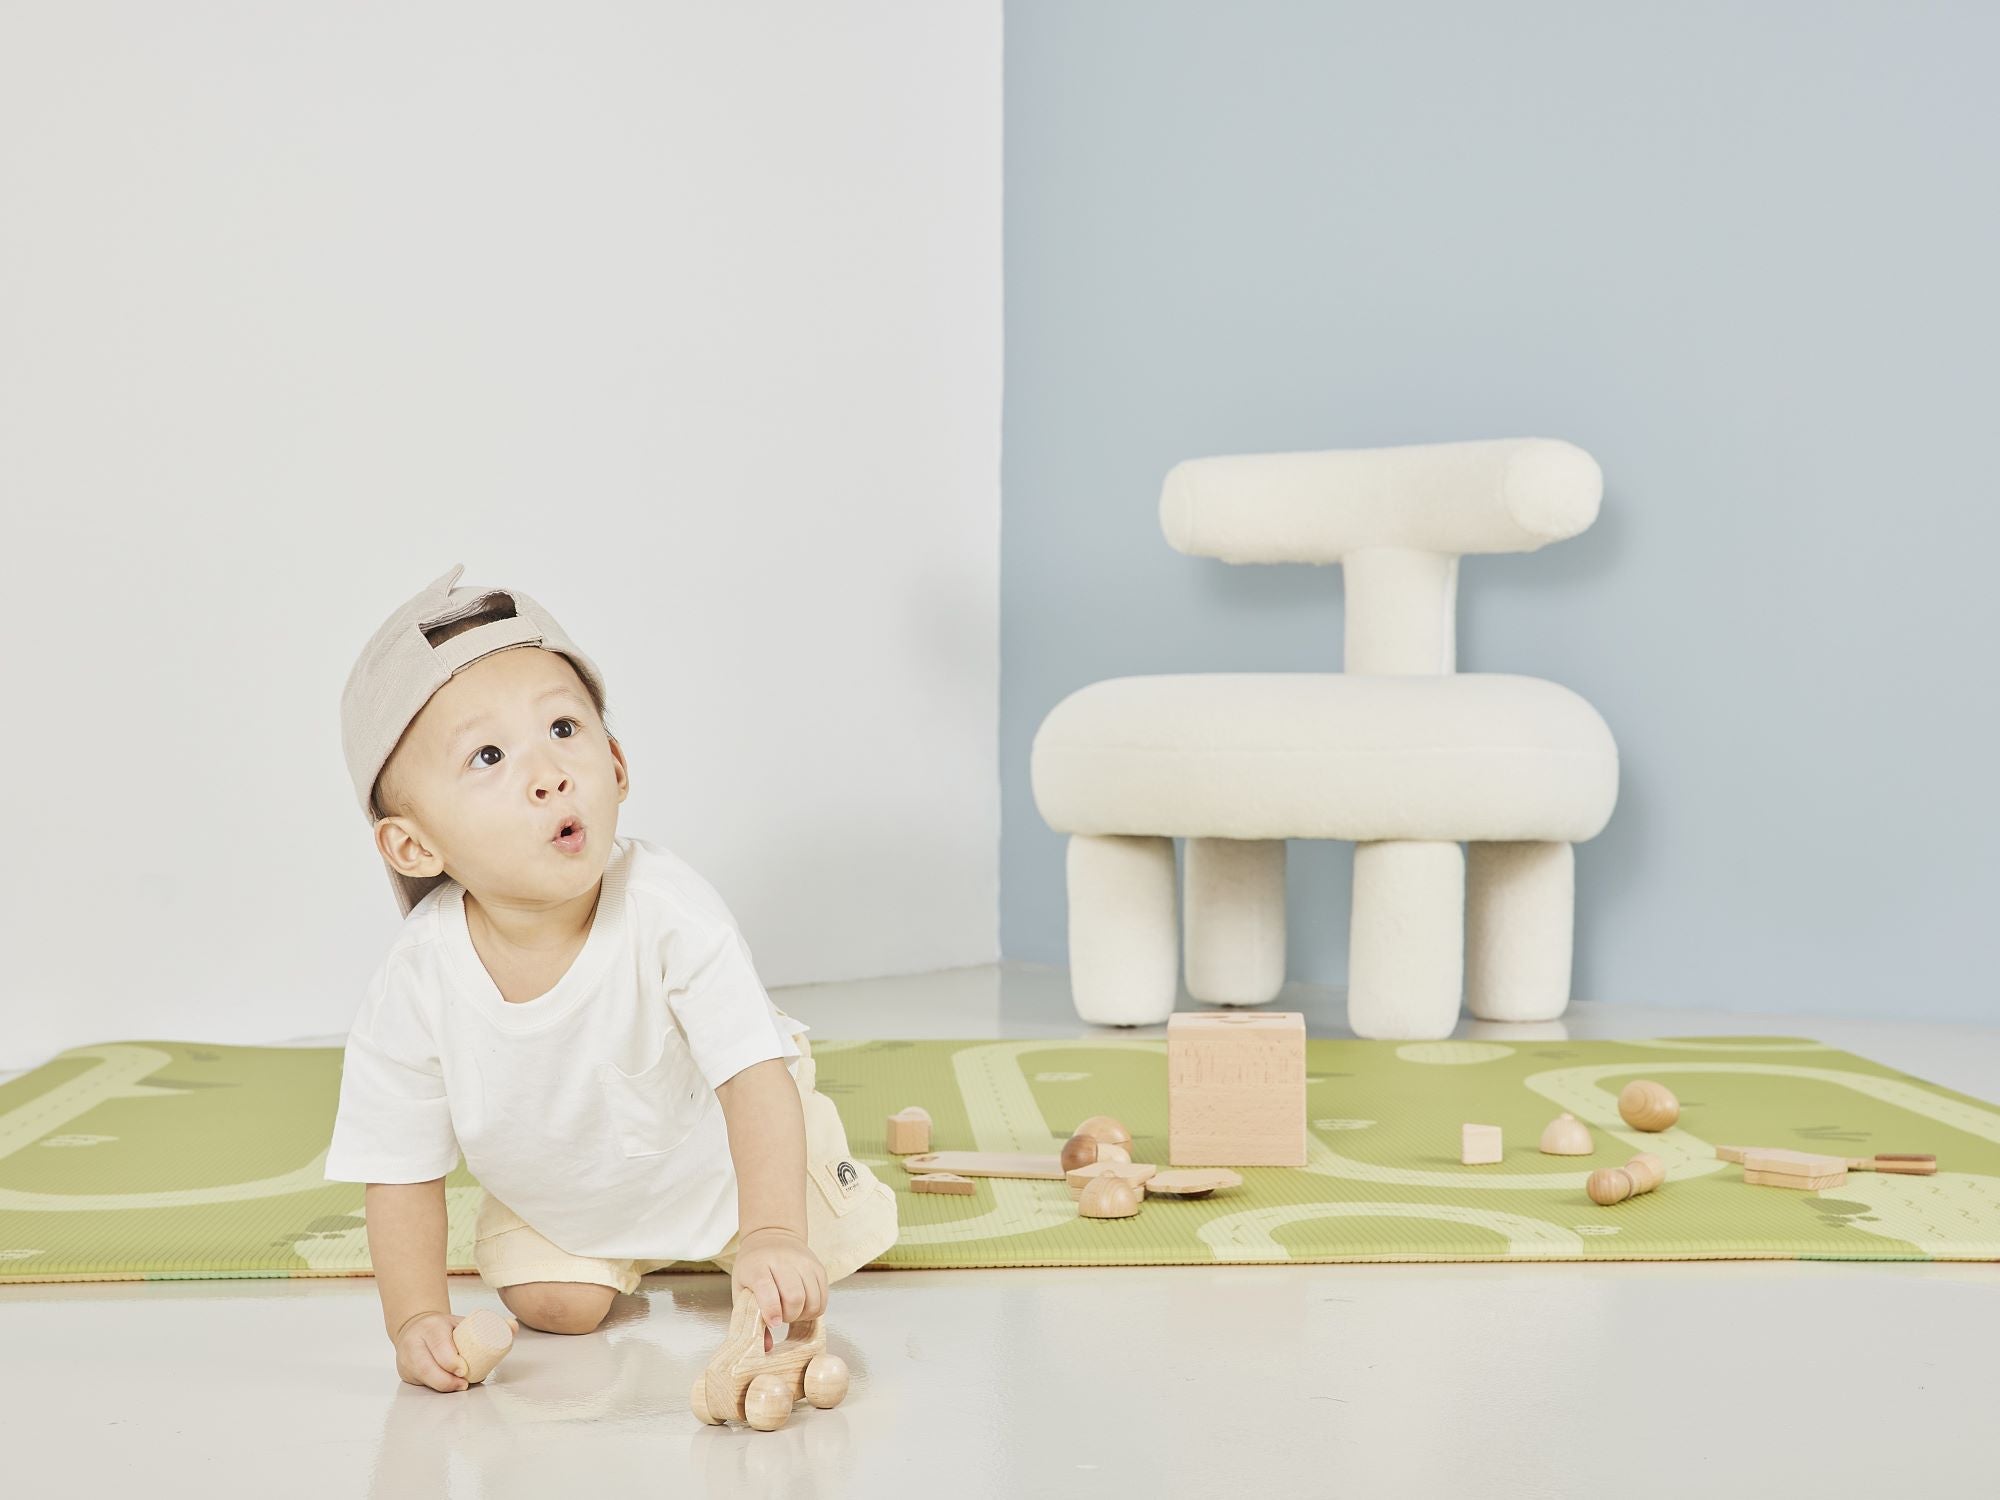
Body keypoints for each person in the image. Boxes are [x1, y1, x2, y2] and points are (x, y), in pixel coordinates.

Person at [325, 563, 898, 1393]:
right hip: (573, 1185)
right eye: (489, 755)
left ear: (618, 765)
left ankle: (770, 1215)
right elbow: (399, 1163)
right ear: (414, 846)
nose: (549, 773)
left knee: (814, 1261)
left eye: (564, 728)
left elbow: (750, 1076)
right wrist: (414, 1318)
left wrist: (775, 1229)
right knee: (551, 1306)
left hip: (727, 1159)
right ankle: (604, 1236)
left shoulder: (669, 909)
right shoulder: (418, 978)